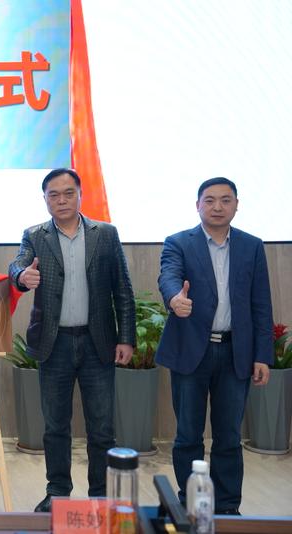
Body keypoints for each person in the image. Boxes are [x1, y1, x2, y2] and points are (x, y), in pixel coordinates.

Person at [7, 168, 136, 512]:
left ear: (80, 195)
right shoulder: (34, 236)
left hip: (98, 343)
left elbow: (123, 289)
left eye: (68, 193)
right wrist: (22, 276)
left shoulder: (105, 234)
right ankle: (58, 493)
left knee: (102, 428)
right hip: (55, 344)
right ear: (45, 199)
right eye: (54, 195)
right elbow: (16, 266)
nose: (61, 200)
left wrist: (126, 338)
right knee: (55, 426)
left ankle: (100, 495)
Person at [156, 177, 272, 515]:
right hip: (192, 351)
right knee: (188, 435)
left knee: (229, 437)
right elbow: (168, 276)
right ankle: (190, 502)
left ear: (236, 205)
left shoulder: (252, 246)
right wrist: (175, 298)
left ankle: (227, 507)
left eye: (225, 200)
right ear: (198, 205)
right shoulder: (179, 242)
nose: (217, 207)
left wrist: (262, 355)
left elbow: (261, 304)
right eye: (209, 200)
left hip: (236, 352)